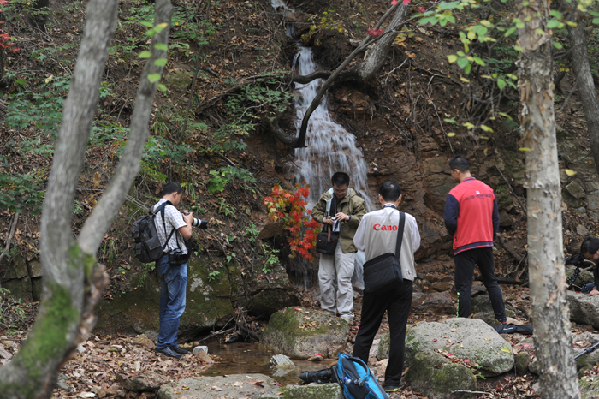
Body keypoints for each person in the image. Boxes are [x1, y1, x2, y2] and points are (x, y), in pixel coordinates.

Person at [352, 182, 420, 393]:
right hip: (403, 279)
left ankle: (356, 377)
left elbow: (359, 244)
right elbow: (415, 245)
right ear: (399, 199)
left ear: (380, 198)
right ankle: (392, 381)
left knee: (366, 329)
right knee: (397, 331)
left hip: (376, 280)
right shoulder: (409, 220)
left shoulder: (368, 218)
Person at [443, 155, 507, 324]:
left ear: (456, 171)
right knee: (491, 281)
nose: (452, 176)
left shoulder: (455, 193)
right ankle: (502, 319)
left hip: (465, 245)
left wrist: (455, 232)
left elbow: (449, 220)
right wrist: (490, 237)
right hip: (485, 243)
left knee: (463, 286)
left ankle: (462, 323)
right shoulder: (488, 189)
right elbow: (496, 219)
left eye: (452, 173)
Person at [311, 172, 366, 321]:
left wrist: (348, 218)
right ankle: (327, 310)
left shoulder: (356, 201)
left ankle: (346, 314)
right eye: (337, 190)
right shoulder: (326, 197)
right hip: (328, 240)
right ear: (333, 186)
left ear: (347, 187)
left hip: (346, 242)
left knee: (344, 278)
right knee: (324, 277)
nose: (339, 193)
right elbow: (314, 212)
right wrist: (324, 219)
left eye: (342, 190)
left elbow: (364, 219)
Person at [152, 182, 194, 359]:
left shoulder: (155, 208)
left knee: (166, 303)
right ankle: (163, 345)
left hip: (163, 259)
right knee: (177, 305)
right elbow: (187, 234)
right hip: (174, 261)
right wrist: (189, 222)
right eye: (180, 197)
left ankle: (170, 342)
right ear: (175, 194)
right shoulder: (169, 209)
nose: (179, 201)